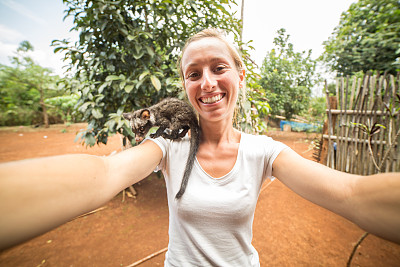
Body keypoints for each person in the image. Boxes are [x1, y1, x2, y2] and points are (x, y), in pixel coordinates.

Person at [0, 28, 399, 266]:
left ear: (240, 75)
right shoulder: (167, 144)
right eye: (194, 74)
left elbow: (351, 193)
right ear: (186, 86)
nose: (206, 82)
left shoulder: (263, 151)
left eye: (218, 68)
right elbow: (109, 172)